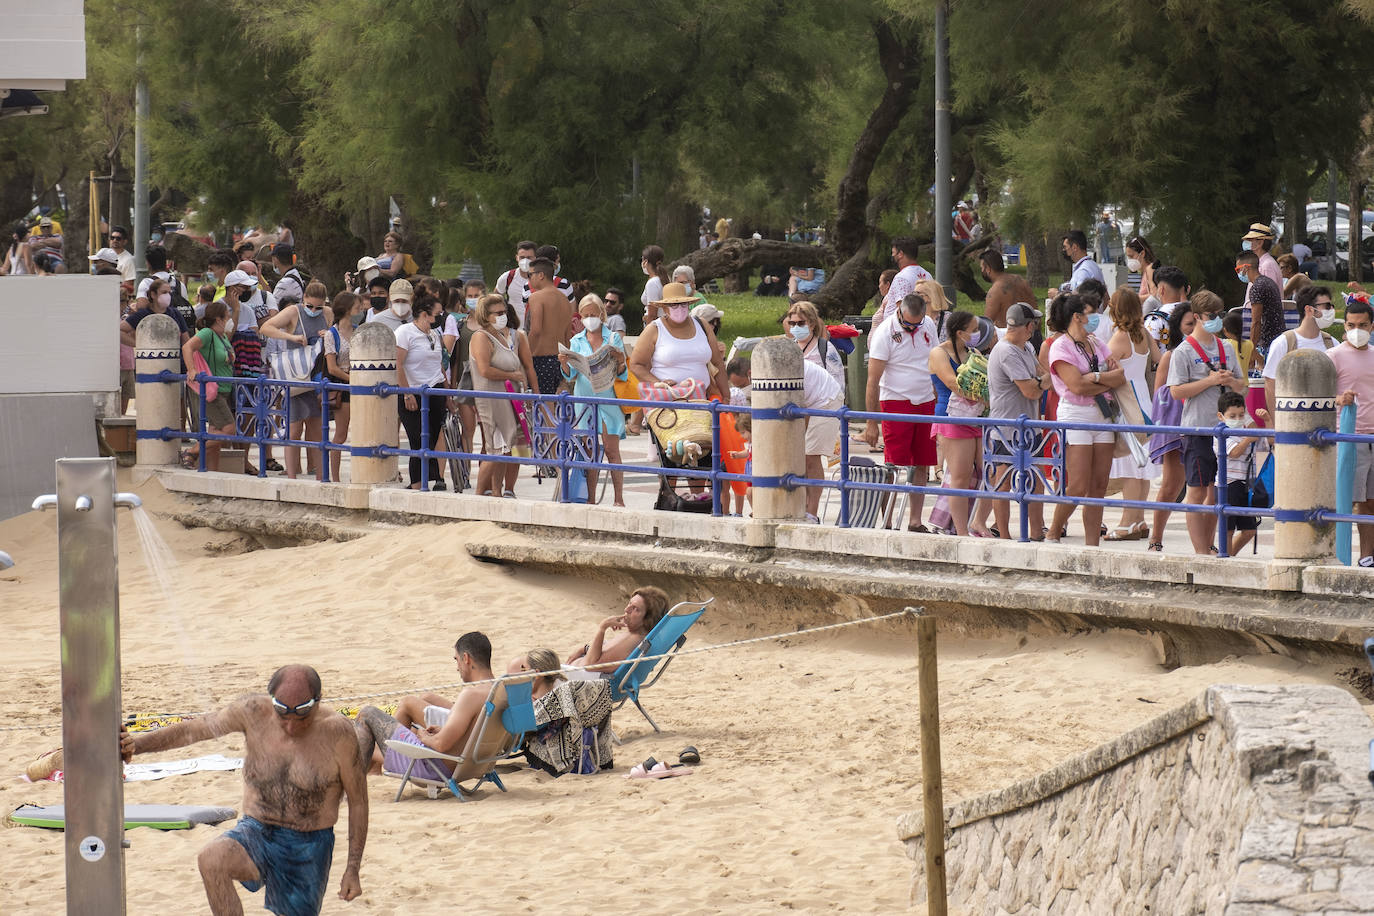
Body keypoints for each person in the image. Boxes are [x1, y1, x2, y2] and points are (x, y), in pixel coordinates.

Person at [120, 664, 366, 916]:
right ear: (272, 702)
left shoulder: (339, 733)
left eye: (302, 717)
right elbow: (194, 730)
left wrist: (352, 868)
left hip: (307, 844)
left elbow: (358, 802)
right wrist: (136, 745)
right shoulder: (252, 711)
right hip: (256, 829)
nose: (291, 727)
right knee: (212, 859)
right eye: (282, 715)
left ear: (318, 702)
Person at [355, 633, 494, 782]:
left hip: (434, 768)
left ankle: (354, 783)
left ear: (466, 658)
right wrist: (443, 731)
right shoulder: (500, 691)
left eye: (457, 660)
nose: (457, 668)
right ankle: (373, 767)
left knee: (367, 714)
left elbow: (440, 744)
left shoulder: (471, 695)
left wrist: (423, 736)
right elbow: (472, 733)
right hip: (472, 766)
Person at [1168, 291, 1246, 555]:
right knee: (1197, 493)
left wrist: (1229, 381)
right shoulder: (1184, 351)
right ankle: (1201, 552)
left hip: (1224, 432)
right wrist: (1209, 381)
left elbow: (1242, 387)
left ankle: (1210, 546)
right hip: (1197, 429)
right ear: (1198, 317)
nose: (1217, 320)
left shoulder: (1225, 346)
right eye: (1211, 316)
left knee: (1216, 494)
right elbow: (1176, 391)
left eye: (1220, 314)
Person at [1045, 294, 1125, 546]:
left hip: (1103, 414)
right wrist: (1103, 379)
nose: (1094, 318)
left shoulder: (1095, 342)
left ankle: (1093, 544)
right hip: (1076, 415)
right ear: (1077, 317)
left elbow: (1120, 375)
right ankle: (1054, 531)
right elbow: (1076, 386)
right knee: (1078, 484)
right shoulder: (1061, 346)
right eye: (1090, 313)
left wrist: (1095, 378)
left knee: (1099, 484)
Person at [863, 292, 939, 531]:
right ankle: (887, 521)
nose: (912, 328)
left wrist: (938, 404)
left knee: (922, 464)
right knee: (893, 465)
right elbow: (873, 380)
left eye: (916, 324)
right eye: (907, 324)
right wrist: (871, 422)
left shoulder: (928, 325)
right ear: (899, 311)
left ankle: (915, 520)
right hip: (895, 401)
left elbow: (935, 362)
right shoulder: (885, 332)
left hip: (925, 400)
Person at [986, 303, 1050, 540]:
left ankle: (1035, 532)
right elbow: (1032, 390)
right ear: (1029, 326)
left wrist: (1040, 381)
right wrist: (1042, 382)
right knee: (1003, 482)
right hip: (1007, 429)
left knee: (1036, 481)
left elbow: (1040, 374)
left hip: (1028, 427)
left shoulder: (1025, 349)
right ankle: (1004, 535)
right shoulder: (1006, 351)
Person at [559, 293, 630, 506]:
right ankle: (590, 499)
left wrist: (620, 360)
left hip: (608, 400)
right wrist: (564, 362)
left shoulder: (613, 338)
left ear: (601, 314)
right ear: (580, 316)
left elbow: (623, 374)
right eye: (585, 314)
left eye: (593, 314)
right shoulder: (576, 340)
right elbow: (570, 375)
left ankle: (619, 498)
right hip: (584, 402)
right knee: (590, 453)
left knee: (611, 450)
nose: (590, 318)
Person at [1103, 287, 1161, 540]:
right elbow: (1158, 359)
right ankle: (1140, 519)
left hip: (1127, 401)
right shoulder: (1145, 334)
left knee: (1129, 463)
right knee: (1142, 464)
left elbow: (1103, 365)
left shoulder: (1119, 337)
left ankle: (1127, 521)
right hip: (1144, 401)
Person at [260, 280, 332, 480]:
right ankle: (292, 474)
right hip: (297, 375)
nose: (314, 310)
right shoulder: (293, 311)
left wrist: (329, 335)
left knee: (317, 429)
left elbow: (335, 338)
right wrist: (291, 337)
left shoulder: (327, 313)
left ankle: (320, 474)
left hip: (319, 376)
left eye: (319, 307)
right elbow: (265, 328)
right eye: (309, 306)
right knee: (294, 428)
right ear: (303, 300)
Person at [470, 293, 538, 498]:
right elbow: (484, 369)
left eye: (504, 312)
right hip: (492, 399)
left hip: (512, 398)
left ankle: (500, 491)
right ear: (486, 315)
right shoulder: (481, 337)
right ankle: (480, 492)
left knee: (510, 447)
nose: (503, 316)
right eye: (498, 313)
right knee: (494, 450)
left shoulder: (509, 336)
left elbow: (526, 365)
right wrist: (512, 375)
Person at [929, 311, 990, 537]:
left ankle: (978, 522)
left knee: (989, 473)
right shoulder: (939, 353)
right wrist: (983, 396)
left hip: (976, 418)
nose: (977, 334)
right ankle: (961, 532)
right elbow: (952, 382)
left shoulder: (973, 352)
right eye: (973, 330)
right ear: (959, 332)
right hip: (951, 417)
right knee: (960, 476)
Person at [1146, 305, 1199, 551]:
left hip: (1202, 424)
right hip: (1177, 428)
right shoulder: (1171, 355)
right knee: (1172, 485)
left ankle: (1206, 541)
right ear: (1178, 328)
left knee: (1206, 487)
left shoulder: (1212, 351)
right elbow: (1161, 395)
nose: (1195, 328)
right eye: (1189, 324)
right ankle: (1156, 536)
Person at [515, 648, 614, 777]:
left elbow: (522, 731)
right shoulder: (564, 694)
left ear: (537, 674)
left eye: (524, 669)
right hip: (582, 755)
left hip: (553, 762)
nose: (521, 673)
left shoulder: (542, 705)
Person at [629, 282, 728, 400]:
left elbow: (718, 363)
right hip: (667, 402)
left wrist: (726, 396)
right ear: (665, 308)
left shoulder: (702, 325)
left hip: (702, 399)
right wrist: (659, 383)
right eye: (674, 305)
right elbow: (636, 364)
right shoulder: (654, 329)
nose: (679, 309)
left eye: (683, 304)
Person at [1331, 296, 1374, 565]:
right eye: (1350, 324)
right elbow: (1318, 396)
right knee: (1346, 500)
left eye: (1362, 324)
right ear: (1344, 326)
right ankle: (1338, 558)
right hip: (1349, 437)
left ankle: (1367, 556)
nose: (1356, 329)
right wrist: (1338, 400)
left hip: (1372, 437)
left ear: (1371, 326)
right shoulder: (1332, 356)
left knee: (1370, 502)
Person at [395, 295, 448, 490]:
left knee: (432, 436)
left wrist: (447, 393)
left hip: (435, 389)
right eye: (437, 314)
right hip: (413, 392)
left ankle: (430, 478)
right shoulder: (404, 332)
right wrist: (406, 393)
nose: (440, 317)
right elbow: (398, 364)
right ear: (425, 314)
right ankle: (417, 482)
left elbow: (439, 365)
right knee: (417, 438)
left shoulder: (434, 334)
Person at [1262, 284, 1338, 416]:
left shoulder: (1332, 343)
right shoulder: (1283, 343)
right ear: (1309, 310)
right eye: (1326, 306)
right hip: (1292, 421)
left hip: (1327, 421)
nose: (1331, 310)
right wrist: (1277, 426)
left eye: (1331, 306)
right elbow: (1270, 385)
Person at [182, 302, 237, 472]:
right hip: (213, 391)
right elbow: (187, 347)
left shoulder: (223, 336)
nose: (230, 319)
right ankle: (191, 452)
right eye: (227, 316)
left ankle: (212, 471)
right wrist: (191, 369)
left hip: (225, 390)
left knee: (216, 430)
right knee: (229, 430)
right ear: (218, 319)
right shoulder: (207, 333)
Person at [1216, 390, 1269, 555]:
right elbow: (1234, 453)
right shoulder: (1220, 434)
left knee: (1249, 529)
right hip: (1228, 485)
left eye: (1241, 415)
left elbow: (1270, 441)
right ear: (1221, 416)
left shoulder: (1247, 431)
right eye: (1232, 416)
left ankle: (1229, 555)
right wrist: (1248, 439)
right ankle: (1225, 558)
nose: (1238, 420)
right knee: (1228, 528)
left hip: (1247, 485)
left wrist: (1265, 421)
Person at [565, 587, 669, 671]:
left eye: (635, 609)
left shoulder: (633, 640)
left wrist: (602, 628)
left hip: (573, 684)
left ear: (647, 619)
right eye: (629, 604)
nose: (626, 609)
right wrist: (584, 648)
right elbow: (604, 651)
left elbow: (590, 665)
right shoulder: (636, 635)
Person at [797, 343, 845, 523]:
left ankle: (812, 512)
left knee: (811, 455)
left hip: (826, 401)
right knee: (800, 455)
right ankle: (802, 506)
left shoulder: (791, 368)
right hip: (812, 403)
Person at [323, 292, 361, 483]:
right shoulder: (332, 334)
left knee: (362, 432)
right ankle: (335, 477)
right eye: (356, 305)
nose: (360, 308)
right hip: (344, 384)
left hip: (359, 381)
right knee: (341, 433)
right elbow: (332, 367)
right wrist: (350, 379)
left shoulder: (358, 331)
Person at [526, 257, 574, 397]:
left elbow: (536, 330)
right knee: (557, 405)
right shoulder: (564, 300)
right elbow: (567, 336)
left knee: (543, 405)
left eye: (530, 275)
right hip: (560, 360)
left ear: (540, 275)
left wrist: (525, 354)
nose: (529, 280)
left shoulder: (536, 297)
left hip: (541, 359)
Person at [786, 300, 845, 391]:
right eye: (792, 323)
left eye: (801, 323)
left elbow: (838, 386)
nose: (796, 327)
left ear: (812, 324)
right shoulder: (788, 349)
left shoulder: (826, 349)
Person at [1237, 249, 1285, 356]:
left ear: (1245, 267)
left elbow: (1256, 322)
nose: (1239, 274)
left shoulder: (1256, 288)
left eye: (1238, 269)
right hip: (1279, 339)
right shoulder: (1268, 282)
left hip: (1268, 343)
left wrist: (1252, 350)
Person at [875, 237, 933, 325]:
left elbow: (902, 310)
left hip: (900, 331)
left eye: (893, 253)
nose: (892, 255)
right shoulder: (928, 275)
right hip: (921, 325)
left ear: (900, 254)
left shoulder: (901, 278)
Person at [979, 250, 1035, 331]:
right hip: (1033, 334)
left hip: (1011, 338)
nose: (981, 271)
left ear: (987, 268)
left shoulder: (994, 291)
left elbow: (986, 326)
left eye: (981, 268)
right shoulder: (1021, 280)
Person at [494, 240, 537, 327]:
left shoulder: (542, 279)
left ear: (536, 258)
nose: (525, 261)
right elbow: (495, 298)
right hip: (513, 329)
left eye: (529, 257)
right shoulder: (507, 277)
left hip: (536, 330)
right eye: (522, 257)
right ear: (517, 257)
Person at [1059, 230, 1105, 294]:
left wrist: (1058, 294)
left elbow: (1079, 298)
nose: (1064, 250)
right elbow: (1106, 297)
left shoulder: (1083, 270)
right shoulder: (1092, 265)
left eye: (1065, 247)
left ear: (1074, 247)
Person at [1241, 222, 1283, 291]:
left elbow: (1268, 296)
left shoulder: (1266, 266)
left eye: (1250, 239)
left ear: (1260, 243)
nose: (1246, 242)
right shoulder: (1261, 263)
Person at [728, 412, 752, 515]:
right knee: (749, 492)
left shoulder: (758, 441)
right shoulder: (751, 442)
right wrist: (737, 455)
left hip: (754, 469)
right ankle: (755, 509)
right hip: (750, 468)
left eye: (743, 432)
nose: (742, 436)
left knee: (751, 492)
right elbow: (748, 452)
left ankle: (757, 510)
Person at [1124, 236, 1161, 302]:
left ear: (1142, 253)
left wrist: (1133, 299)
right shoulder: (1144, 272)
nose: (1129, 260)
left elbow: (1155, 295)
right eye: (1128, 257)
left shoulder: (1150, 269)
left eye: (1131, 256)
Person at [639, 244, 670, 322]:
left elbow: (652, 314)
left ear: (645, 262)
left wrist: (649, 332)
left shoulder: (652, 283)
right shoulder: (665, 278)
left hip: (656, 326)